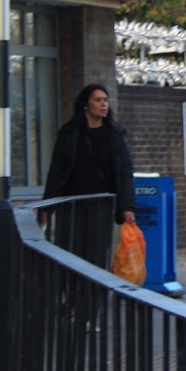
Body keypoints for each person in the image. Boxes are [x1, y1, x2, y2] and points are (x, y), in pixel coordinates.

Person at [43, 83, 137, 258]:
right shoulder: (70, 133)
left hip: (102, 204)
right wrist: (47, 206)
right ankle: (70, 285)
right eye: (98, 100)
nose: (103, 105)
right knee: (70, 251)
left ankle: (95, 286)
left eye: (105, 101)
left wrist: (127, 207)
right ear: (86, 105)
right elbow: (56, 170)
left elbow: (125, 171)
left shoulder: (115, 134)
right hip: (71, 204)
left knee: (97, 251)